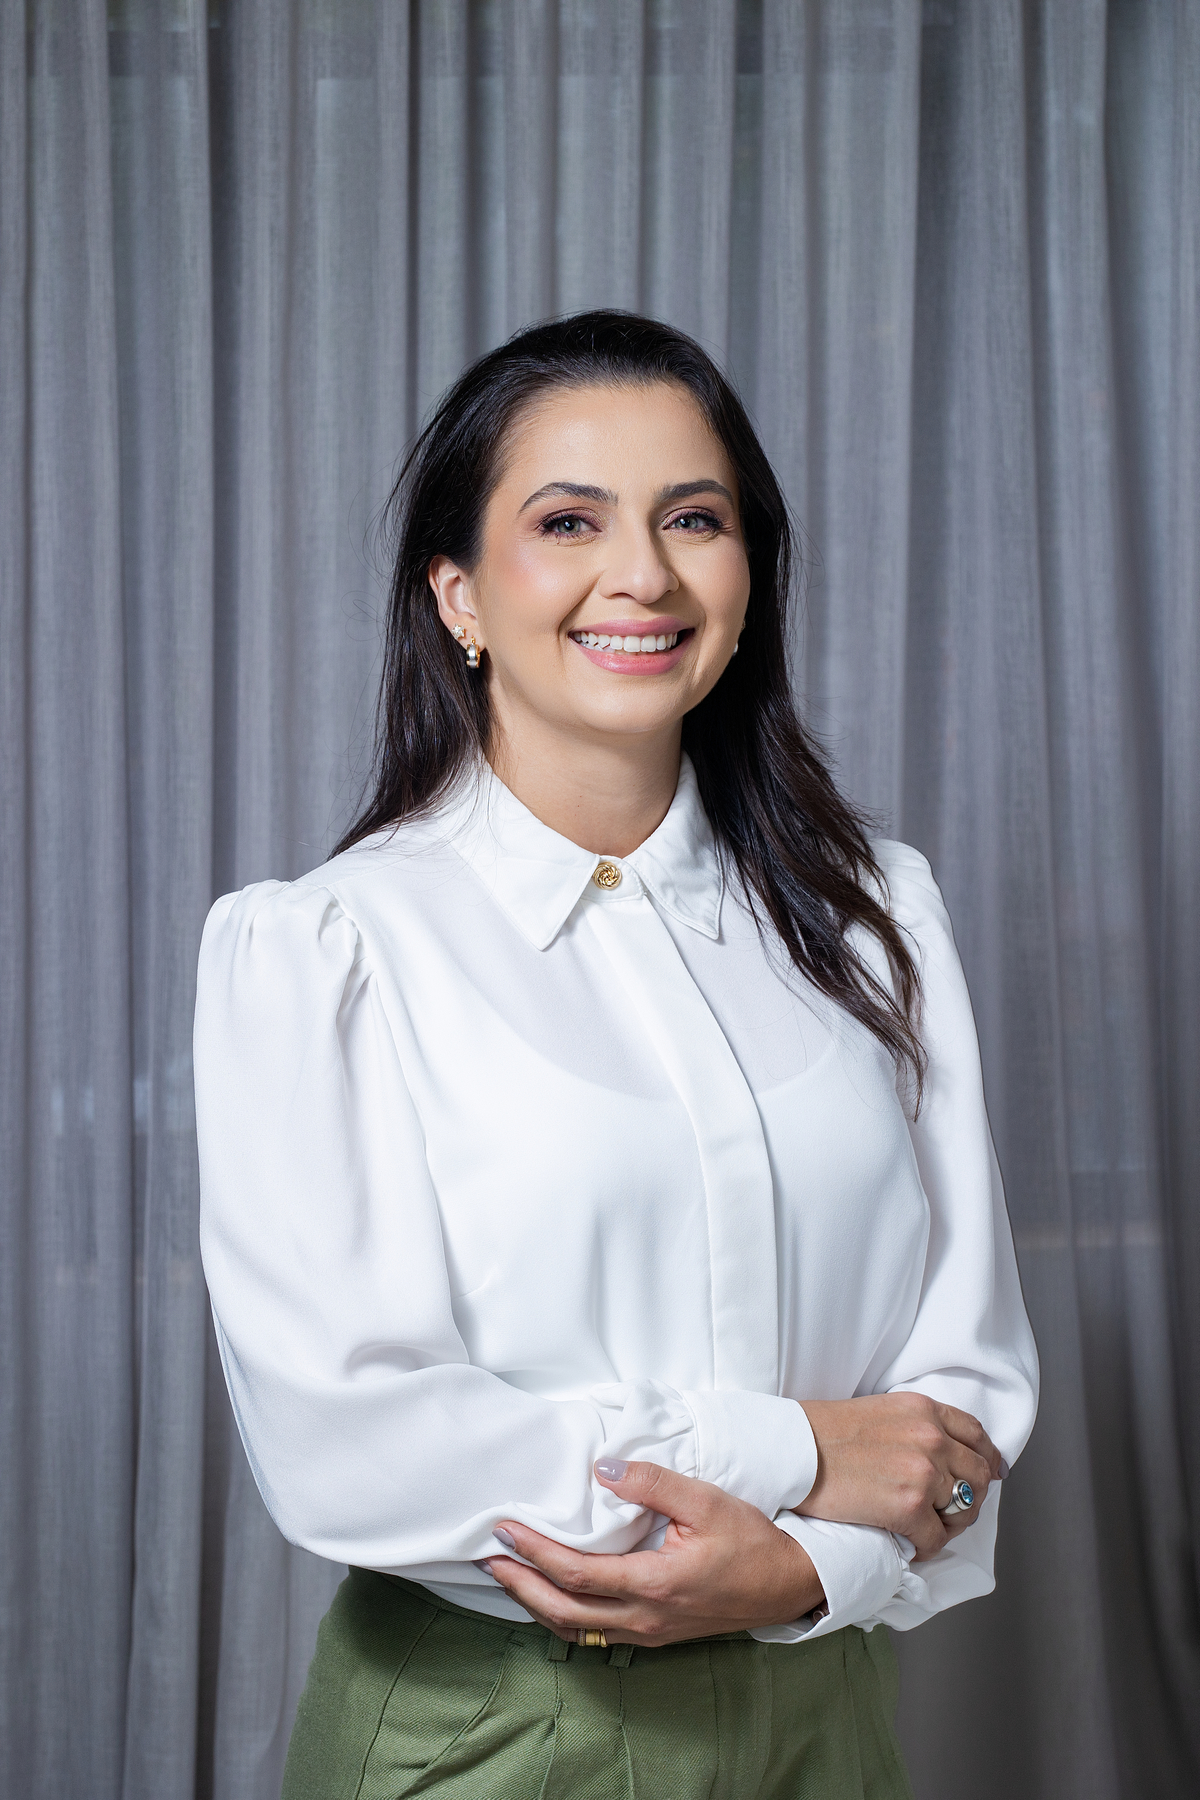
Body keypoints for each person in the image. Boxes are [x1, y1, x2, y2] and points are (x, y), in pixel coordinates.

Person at [194, 310, 1039, 1799]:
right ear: (458, 593)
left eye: (693, 520)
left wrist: (805, 1571)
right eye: (568, 521)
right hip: (492, 1733)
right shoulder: (329, 949)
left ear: (750, 578)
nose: (642, 574)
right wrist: (794, 1457)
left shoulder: (875, 917)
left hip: (830, 1715)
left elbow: (962, 1398)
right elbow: (352, 1443)